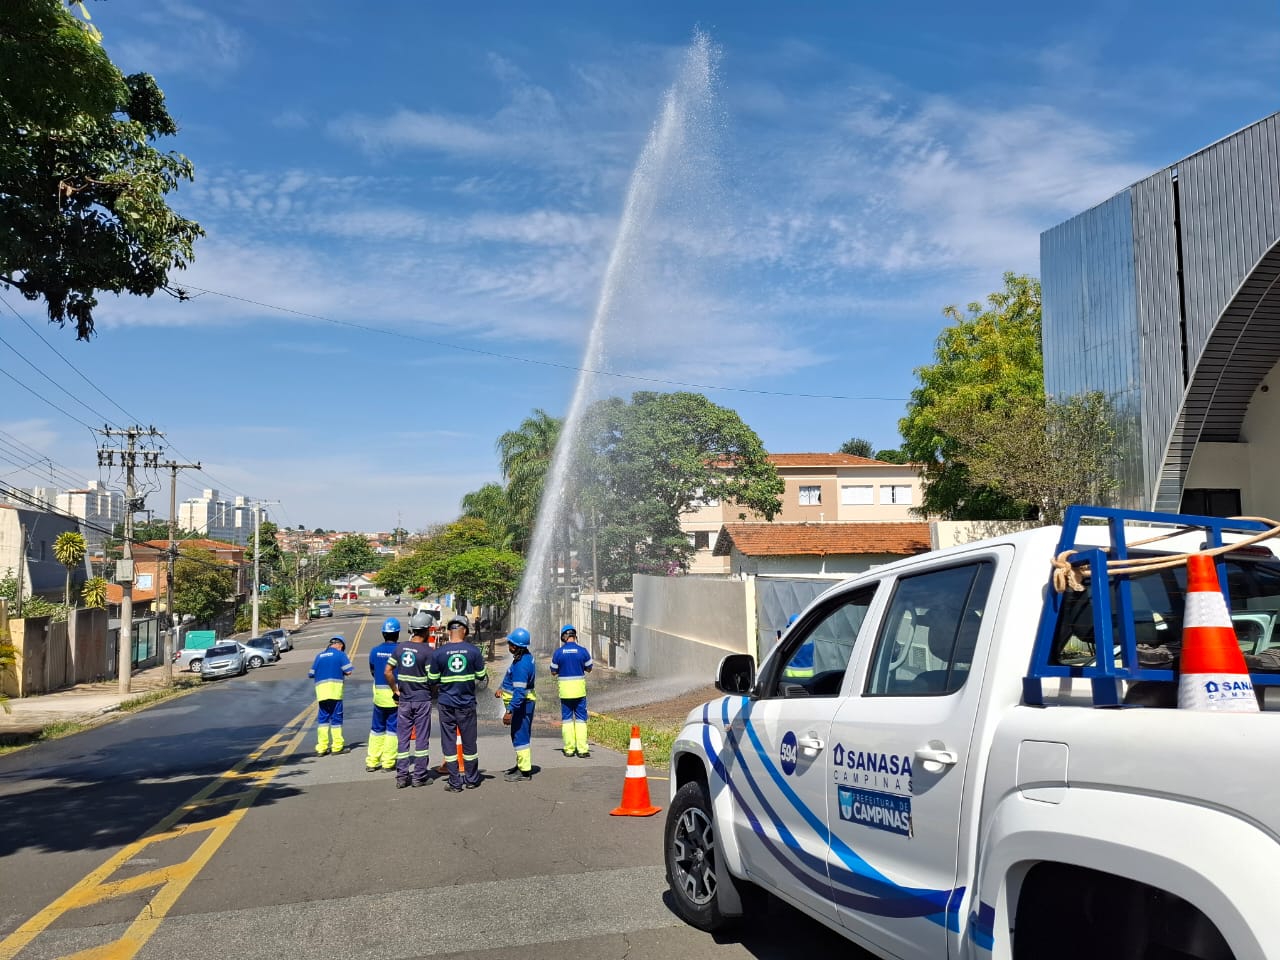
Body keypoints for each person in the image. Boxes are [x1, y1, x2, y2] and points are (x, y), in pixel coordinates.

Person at [428, 615, 487, 792]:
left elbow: (432, 679)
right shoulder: (474, 651)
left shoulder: (438, 653)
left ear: (449, 631)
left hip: (446, 704)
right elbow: (481, 676)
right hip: (467, 703)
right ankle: (471, 779)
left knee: (449, 742)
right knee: (469, 743)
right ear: (465, 631)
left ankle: (454, 782)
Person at [385, 611, 436, 788]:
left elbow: (387, 671)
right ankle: (419, 777)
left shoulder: (400, 648)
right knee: (421, 739)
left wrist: (395, 690)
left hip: (404, 700)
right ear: (426, 630)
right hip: (422, 700)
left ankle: (401, 777)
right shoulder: (428, 652)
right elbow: (432, 679)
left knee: (403, 739)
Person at [496, 627, 536, 782]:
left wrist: (509, 711)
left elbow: (519, 692)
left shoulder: (522, 665)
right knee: (518, 734)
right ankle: (520, 765)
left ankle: (524, 771)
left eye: (511, 644)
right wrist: (502, 688)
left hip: (522, 705)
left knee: (520, 736)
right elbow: (510, 676)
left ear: (517, 646)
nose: (509, 646)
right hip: (522, 705)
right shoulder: (522, 658)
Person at [549, 623, 593, 758]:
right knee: (581, 720)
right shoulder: (583, 651)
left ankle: (569, 749)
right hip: (579, 692)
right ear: (574, 635)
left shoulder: (558, 653)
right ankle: (582, 749)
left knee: (567, 720)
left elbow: (553, 672)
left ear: (564, 637)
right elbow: (589, 668)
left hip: (565, 693)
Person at [365, 617, 401, 773]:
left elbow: (373, 671)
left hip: (379, 697)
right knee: (393, 730)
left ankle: (372, 761)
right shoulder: (401, 651)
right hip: (395, 696)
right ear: (397, 634)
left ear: (383, 634)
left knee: (376, 729)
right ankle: (388, 762)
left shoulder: (374, 651)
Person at [308, 636, 353, 756]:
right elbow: (348, 671)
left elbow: (311, 674)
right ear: (340, 645)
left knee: (323, 720)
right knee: (336, 719)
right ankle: (337, 747)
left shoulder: (319, 656)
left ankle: (322, 748)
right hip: (334, 692)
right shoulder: (340, 655)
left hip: (321, 693)